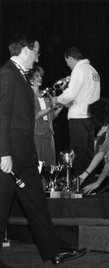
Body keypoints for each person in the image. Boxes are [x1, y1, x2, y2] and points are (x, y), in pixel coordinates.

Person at [0, 34, 87, 266]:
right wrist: (4, 153)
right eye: (36, 52)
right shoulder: (8, 73)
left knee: (37, 203)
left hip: (25, 153)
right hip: (10, 156)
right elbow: (2, 115)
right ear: (26, 51)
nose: (37, 57)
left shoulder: (20, 76)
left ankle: (54, 250)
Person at [52, 47, 100, 176]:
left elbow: (71, 93)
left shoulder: (79, 70)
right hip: (91, 115)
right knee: (89, 150)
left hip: (79, 116)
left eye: (66, 61)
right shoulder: (92, 70)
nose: (67, 64)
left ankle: (80, 183)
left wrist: (56, 99)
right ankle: (88, 181)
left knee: (78, 151)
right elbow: (86, 94)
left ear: (70, 57)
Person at [28, 65, 63, 166]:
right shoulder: (29, 95)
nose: (40, 78)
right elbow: (36, 115)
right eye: (37, 76)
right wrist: (51, 108)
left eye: (41, 76)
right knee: (39, 161)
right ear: (31, 79)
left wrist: (61, 106)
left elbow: (52, 116)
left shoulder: (45, 95)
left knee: (50, 161)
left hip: (48, 131)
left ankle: (49, 182)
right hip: (36, 132)